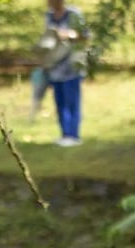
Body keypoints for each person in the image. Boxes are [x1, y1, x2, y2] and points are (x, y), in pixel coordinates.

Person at [38, 0, 90, 147]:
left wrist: (70, 35)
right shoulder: (49, 16)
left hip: (72, 66)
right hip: (55, 66)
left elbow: (85, 35)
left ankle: (73, 135)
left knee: (71, 100)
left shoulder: (74, 14)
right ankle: (64, 134)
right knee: (59, 101)